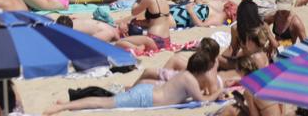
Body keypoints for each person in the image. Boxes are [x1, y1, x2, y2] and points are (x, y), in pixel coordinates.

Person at [45, 49, 222, 112]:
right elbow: (202, 101)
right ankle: (62, 107)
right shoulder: (189, 79)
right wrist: (218, 93)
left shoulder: (185, 75)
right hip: (145, 98)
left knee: (104, 101)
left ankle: (66, 104)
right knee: (103, 102)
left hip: (146, 93)